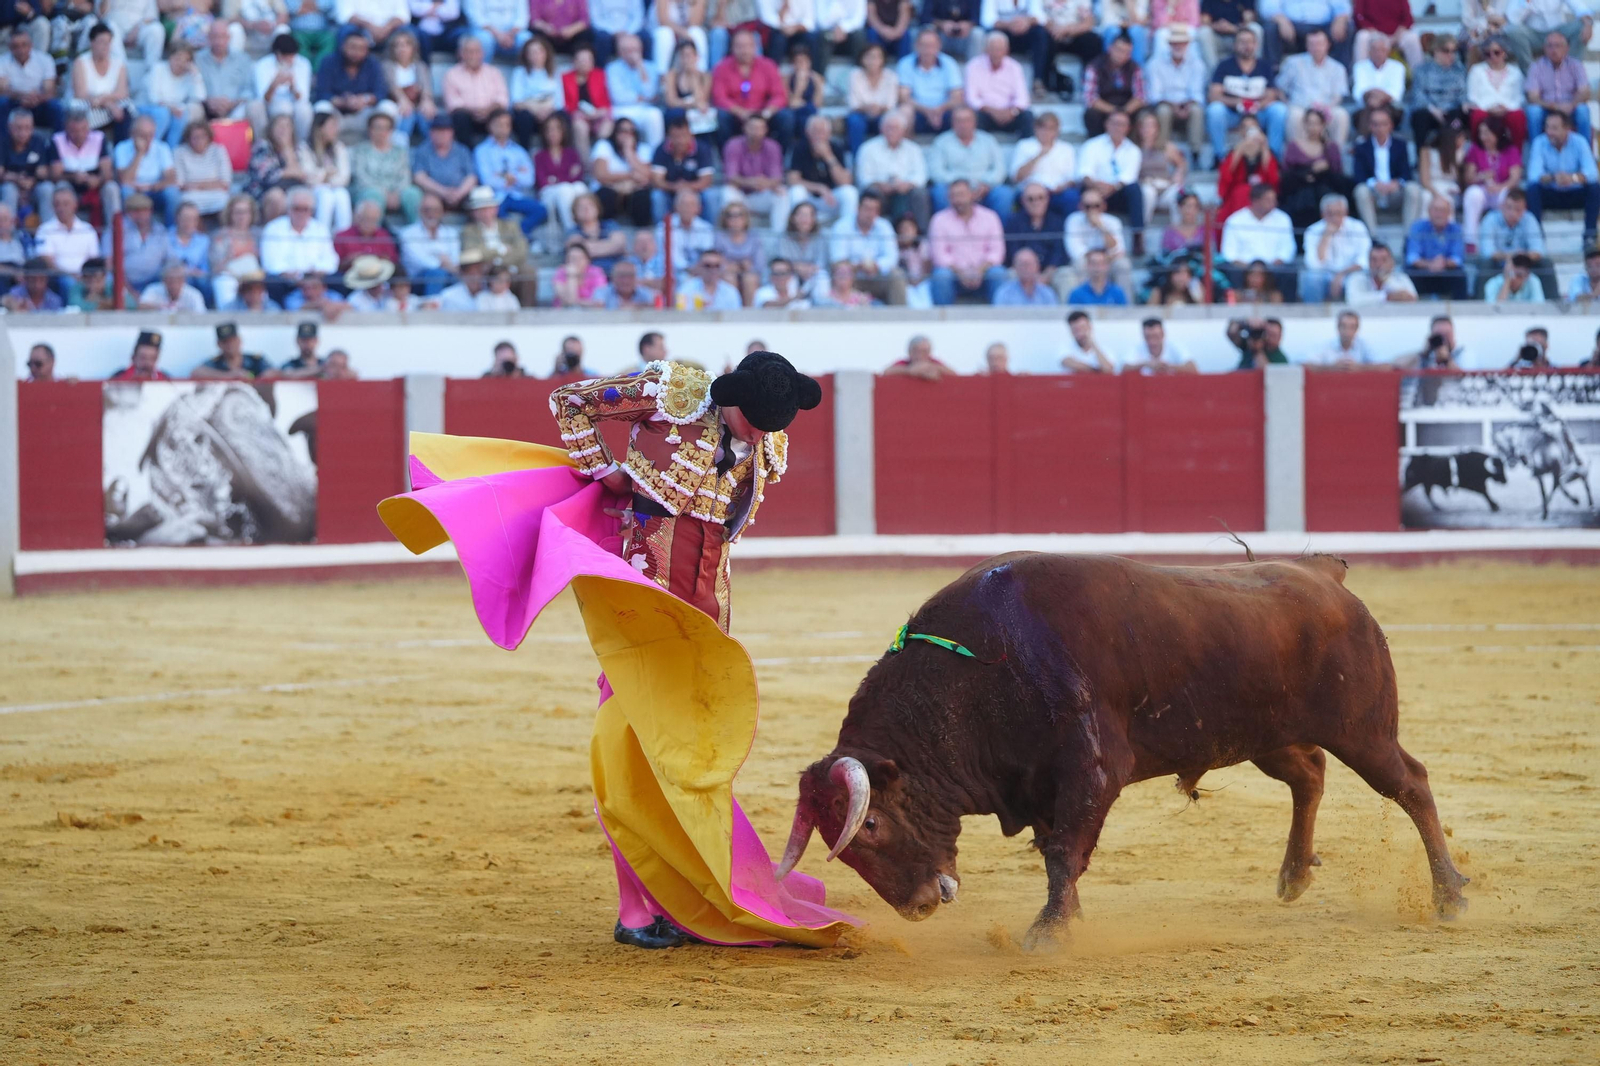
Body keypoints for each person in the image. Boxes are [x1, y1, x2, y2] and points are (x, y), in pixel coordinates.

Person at [389, 351, 838, 951]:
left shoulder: (765, 433)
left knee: (694, 751)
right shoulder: (674, 394)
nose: (760, 435)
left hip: (709, 602)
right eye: (752, 422)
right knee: (632, 751)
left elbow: (718, 531)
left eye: (768, 428)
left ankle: (701, 887)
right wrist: (603, 471)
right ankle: (635, 909)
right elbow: (570, 402)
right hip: (642, 595)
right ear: (727, 397)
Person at [1207, 27, 1286, 161]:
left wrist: (1257, 105)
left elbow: (1272, 94)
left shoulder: (1264, 66)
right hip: (1232, 113)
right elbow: (1214, 95)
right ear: (1235, 45)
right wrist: (1238, 103)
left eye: (1250, 42)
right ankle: (1220, 156)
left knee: (1279, 110)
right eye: (1242, 42)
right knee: (1214, 110)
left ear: (1256, 45)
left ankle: (1274, 155)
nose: (1246, 46)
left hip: (1258, 112)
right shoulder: (1224, 66)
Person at [1524, 109, 1599, 247]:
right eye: (1547, 127)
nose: (1549, 132)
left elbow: (1592, 173)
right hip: (1551, 192)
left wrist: (1573, 178)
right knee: (1532, 190)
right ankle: (1537, 238)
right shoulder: (1539, 143)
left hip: (1574, 191)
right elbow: (1533, 175)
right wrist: (1553, 178)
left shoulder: (1579, 141)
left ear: (1567, 129)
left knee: (1595, 188)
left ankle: (1589, 236)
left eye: (1554, 128)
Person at [926, 177, 1004, 304]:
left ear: (972, 195)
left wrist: (979, 271)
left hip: (983, 274)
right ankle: (942, 322)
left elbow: (996, 253)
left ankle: (1001, 321)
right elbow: (940, 256)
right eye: (953, 196)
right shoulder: (939, 220)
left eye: (961, 195)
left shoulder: (990, 217)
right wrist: (961, 273)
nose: (957, 200)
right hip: (954, 276)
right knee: (941, 275)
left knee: (998, 273)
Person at [1278, 107, 1350, 235]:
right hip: (1299, 196)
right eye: (1310, 123)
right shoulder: (1293, 146)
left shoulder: (1330, 148)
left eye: (1316, 123)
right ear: (1304, 124)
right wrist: (1309, 171)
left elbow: (1339, 176)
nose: (1313, 127)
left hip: (1324, 194)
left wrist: (1325, 168)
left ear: (1323, 125)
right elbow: (1286, 176)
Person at [1351, 106, 1421, 235]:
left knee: (1413, 189)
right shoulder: (1361, 147)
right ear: (1370, 126)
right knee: (1360, 191)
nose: (1380, 128)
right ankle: (1372, 236)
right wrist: (1375, 183)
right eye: (1376, 124)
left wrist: (1396, 183)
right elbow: (1358, 175)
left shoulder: (1400, 145)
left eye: (1384, 124)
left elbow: (1406, 173)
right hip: (1374, 193)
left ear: (1391, 126)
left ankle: (1408, 236)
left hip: (1395, 192)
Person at [854, 110, 930, 228]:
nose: (891, 131)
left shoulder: (914, 149)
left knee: (920, 193)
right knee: (872, 194)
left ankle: (921, 236)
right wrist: (881, 185)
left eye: (895, 128)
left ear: (903, 131)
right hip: (881, 193)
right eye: (888, 128)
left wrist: (906, 185)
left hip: (906, 192)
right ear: (881, 129)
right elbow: (864, 178)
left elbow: (921, 176)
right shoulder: (868, 148)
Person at [782, 113, 858, 230]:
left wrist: (828, 156)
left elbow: (845, 181)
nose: (818, 135)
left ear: (829, 134)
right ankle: (798, 230)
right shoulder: (799, 148)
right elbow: (792, 180)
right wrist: (819, 188)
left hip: (831, 199)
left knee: (850, 192)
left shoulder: (837, 147)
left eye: (822, 132)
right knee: (796, 191)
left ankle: (846, 232)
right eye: (815, 131)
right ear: (807, 132)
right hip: (808, 198)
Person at [474, 107, 544, 234]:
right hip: (495, 197)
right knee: (495, 213)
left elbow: (529, 179)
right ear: (490, 126)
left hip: (516, 195)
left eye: (506, 124)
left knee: (541, 210)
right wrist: (516, 175)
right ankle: (517, 237)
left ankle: (518, 234)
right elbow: (486, 180)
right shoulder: (482, 151)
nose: (503, 128)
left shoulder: (518, 151)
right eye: (499, 124)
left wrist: (507, 176)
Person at [928, 105, 1008, 214]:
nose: (963, 125)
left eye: (967, 120)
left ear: (974, 122)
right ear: (952, 123)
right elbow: (936, 172)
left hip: (984, 187)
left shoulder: (989, 141)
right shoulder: (941, 142)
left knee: (1004, 194)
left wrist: (986, 184)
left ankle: (998, 230)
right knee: (939, 192)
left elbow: (1000, 169)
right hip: (953, 187)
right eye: (959, 121)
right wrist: (960, 186)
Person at [1220, 182, 1296, 297]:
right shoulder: (1235, 220)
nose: (1274, 203)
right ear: (1256, 201)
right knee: (1229, 271)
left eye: (1274, 199)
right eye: (1268, 200)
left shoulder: (1283, 219)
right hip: (1244, 268)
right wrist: (1250, 268)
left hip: (1273, 267)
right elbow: (1229, 252)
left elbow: (1288, 249)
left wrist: (1277, 261)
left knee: (1289, 273)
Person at [1276, 27, 1349, 145]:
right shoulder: (1293, 62)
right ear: (1307, 45)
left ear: (1328, 45)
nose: (1316, 48)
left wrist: (1327, 109)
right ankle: (1298, 157)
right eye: (1312, 44)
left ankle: (1336, 157)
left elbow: (1338, 96)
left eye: (1320, 44)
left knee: (1341, 115)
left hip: (1326, 109)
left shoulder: (1338, 68)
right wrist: (1287, 104)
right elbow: (1280, 88)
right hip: (1300, 107)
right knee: (1294, 115)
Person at [828, 190, 904, 303]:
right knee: (842, 275)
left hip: (877, 276)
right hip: (853, 278)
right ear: (858, 208)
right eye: (867, 209)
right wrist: (857, 266)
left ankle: (900, 318)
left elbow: (892, 257)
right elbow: (837, 259)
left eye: (875, 210)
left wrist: (877, 265)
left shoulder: (884, 226)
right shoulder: (842, 226)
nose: (870, 214)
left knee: (897, 276)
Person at [710, 29, 785, 143]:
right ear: (732, 48)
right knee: (721, 117)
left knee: (785, 117)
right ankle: (726, 155)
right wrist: (741, 113)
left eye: (747, 46)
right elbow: (719, 98)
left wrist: (766, 113)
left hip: (763, 115)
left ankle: (777, 155)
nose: (744, 51)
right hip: (735, 115)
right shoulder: (721, 68)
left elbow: (779, 95)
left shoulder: (768, 65)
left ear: (755, 47)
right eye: (739, 46)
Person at [1460, 116, 1522, 251]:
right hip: (1483, 189)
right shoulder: (1475, 149)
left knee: (1507, 197)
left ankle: (1503, 241)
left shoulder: (1510, 150)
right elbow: (1468, 178)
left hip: (1502, 189)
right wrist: (1481, 176)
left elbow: (1515, 178)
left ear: (1497, 133)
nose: (1483, 137)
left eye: (1487, 133)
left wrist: (1499, 187)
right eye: (1481, 133)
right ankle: (1470, 241)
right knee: (1472, 194)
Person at [351, 103, 420, 223]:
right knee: (374, 196)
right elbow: (361, 177)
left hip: (396, 193)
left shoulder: (400, 152)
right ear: (370, 129)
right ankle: (375, 236)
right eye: (377, 127)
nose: (381, 132)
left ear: (391, 131)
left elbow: (404, 177)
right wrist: (384, 194)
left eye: (385, 128)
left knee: (413, 194)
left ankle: (417, 234)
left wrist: (396, 194)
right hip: (370, 190)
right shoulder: (360, 150)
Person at [1077, 109, 1143, 232]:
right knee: (1083, 191)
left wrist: (1112, 187)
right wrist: (1096, 186)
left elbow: (1129, 177)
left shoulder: (1134, 150)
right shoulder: (1092, 145)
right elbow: (1085, 172)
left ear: (1128, 128)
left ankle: (1138, 234)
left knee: (1134, 189)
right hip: (1095, 190)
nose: (1118, 128)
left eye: (1122, 124)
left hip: (1118, 192)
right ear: (1107, 124)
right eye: (1115, 123)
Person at [1145, 24, 1206, 158]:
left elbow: (1197, 93)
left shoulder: (1197, 64)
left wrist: (1186, 106)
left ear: (1187, 44)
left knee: (1197, 110)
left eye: (1182, 43)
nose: (1178, 46)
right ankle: (1161, 151)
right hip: (1165, 104)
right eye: (1175, 43)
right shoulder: (1155, 64)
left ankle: (1196, 152)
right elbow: (1155, 95)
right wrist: (1174, 106)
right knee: (1163, 111)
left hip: (1188, 104)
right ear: (1169, 44)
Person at [1478, 187, 1551, 294]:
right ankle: (1481, 304)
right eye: (1509, 208)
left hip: (1524, 263)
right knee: (1485, 264)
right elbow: (1487, 252)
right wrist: (1510, 257)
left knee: (1545, 264)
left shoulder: (1529, 219)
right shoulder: (1490, 219)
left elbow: (1539, 250)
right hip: (1499, 263)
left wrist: (1521, 257)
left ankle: (1553, 303)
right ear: (1502, 206)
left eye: (1518, 209)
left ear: (1524, 209)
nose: (1512, 213)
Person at [1301, 192, 1371, 302]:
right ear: (1322, 214)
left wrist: (1341, 275)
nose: (1334, 218)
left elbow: (1364, 260)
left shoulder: (1358, 227)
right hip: (1325, 275)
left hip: (1350, 274)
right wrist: (1325, 236)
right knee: (1311, 279)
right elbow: (1313, 264)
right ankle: (1313, 315)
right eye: (1330, 214)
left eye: (1338, 213)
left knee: (1358, 280)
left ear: (1346, 213)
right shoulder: (1312, 231)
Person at [315, 27, 388, 132]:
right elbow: (322, 93)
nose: (356, 52)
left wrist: (363, 99)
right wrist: (343, 101)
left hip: (364, 112)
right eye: (352, 47)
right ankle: (321, 146)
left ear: (367, 50)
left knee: (387, 107)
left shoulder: (373, 64)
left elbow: (380, 92)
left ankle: (381, 147)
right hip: (337, 113)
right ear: (343, 46)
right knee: (321, 107)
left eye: (361, 48)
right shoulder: (329, 62)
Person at [262, 185, 339, 282]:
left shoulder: (320, 229)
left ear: (311, 211)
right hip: (285, 281)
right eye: (296, 208)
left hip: (315, 281)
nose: (301, 213)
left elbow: (330, 259)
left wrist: (316, 270)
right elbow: (270, 263)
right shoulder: (273, 228)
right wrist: (291, 274)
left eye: (305, 209)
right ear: (288, 209)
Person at [1524, 30, 1591, 144]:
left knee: (1583, 110)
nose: (1554, 50)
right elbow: (1532, 97)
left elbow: (1585, 92)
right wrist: (1554, 106)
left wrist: (1571, 105)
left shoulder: (1576, 65)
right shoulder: (1536, 67)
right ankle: (1536, 151)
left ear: (1566, 48)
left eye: (1558, 46)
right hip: (1547, 109)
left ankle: (1585, 154)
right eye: (1550, 46)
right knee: (1533, 111)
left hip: (1570, 108)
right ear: (1544, 49)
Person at [1062, 187, 1132, 295]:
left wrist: (1100, 226)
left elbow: (1118, 250)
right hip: (1086, 262)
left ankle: (1126, 307)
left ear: (1103, 206)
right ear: (1080, 206)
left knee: (1123, 265)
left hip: (1108, 263)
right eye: (1088, 206)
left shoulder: (1113, 221)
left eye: (1096, 206)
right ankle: (1084, 304)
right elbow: (1075, 252)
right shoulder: (1073, 220)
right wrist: (1099, 259)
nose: (1092, 210)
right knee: (1081, 264)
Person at [443, 34, 509, 147]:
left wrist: (488, 109)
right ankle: (467, 153)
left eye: (476, 51)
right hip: (467, 116)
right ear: (461, 54)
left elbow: (502, 98)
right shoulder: (452, 74)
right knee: (459, 117)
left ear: (482, 53)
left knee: (501, 115)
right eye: (468, 51)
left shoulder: (494, 72)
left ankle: (498, 151)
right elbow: (453, 103)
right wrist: (473, 111)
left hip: (490, 115)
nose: (473, 55)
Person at [1008, 110, 1076, 218]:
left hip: (1056, 193)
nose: (1046, 132)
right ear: (1035, 128)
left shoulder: (1066, 148)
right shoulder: (1024, 145)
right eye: (1043, 127)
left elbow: (1071, 178)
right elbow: (1016, 177)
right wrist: (1038, 156)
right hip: (1030, 193)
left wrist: (1061, 187)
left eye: (1051, 128)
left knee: (1071, 197)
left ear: (1057, 130)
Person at [114, 115, 179, 227]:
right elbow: (125, 180)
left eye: (151, 135)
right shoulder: (122, 148)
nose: (148, 139)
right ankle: (129, 230)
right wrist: (139, 154)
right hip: (135, 190)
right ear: (133, 134)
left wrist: (153, 186)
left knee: (172, 193)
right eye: (143, 135)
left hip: (155, 189)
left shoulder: (162, 148)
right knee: (126, 191)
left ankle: (171, 229)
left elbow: (171, 178)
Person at [897, 26, 963, 134]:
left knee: (962, 114)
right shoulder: (905, 64)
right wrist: (927, 111)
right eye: (924, 45)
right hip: (917, 109)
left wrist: (939, 109)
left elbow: (957, 96)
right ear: (916, 46)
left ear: (939, 46)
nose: (928, 50)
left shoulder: (949, 63)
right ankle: (906, 148)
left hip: (944, 109)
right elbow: (904, 97)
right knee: (904, 111)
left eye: (932, 46)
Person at [1408, 33, 1468, 153]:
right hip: (1430, 111)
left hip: (1452, 111)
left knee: (1459, 118)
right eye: (1446, 51)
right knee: (1420, 117)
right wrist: (1433, 109)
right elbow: (1418, 95)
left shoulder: (1459, 70)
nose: (1451, 55)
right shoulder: (1422, 70)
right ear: (1435, 50)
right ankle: (1421, 158)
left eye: (1454, 51)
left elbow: (1463, 93)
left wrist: (1464, 103)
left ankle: (1453, 161)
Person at [71, 24, 131, 141]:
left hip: (109, 107)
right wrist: (107, 103)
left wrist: (103, 99)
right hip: (89, 104)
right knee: (79, 110)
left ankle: (120, 149)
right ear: (92, 42)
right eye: (102, 42)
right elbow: (81, 93)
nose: (106, 46)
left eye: (108, 42)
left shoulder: (118, 63)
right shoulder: (81, 62)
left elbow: (122, 92)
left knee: (125, 109)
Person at [1215, 111, 1278, 223]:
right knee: (1241, 192)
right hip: (1237, 199)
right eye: (1246, 128)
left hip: (1261, 197)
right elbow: (1225, 179)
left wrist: (1264, 147)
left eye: (1253, 128)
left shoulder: (1267, 153)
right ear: (1241, 131)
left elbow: (1273, 180)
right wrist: (1239, 150)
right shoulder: (1234, 152)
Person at [965, 31, 1032, 136]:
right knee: (974, 117)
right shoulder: (973, 66)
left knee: (1028, 116)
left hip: (1010, 114)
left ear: (1007, 50)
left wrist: (1011, 112)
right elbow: (971, 98)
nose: (997, 53)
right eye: (993, 49)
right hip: (986, 113)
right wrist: (992, 111)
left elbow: (1022, 98)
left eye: (1000, 49)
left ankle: (1025, 149)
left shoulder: (1015, 67)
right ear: (986, 49)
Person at [605, 33, 664, 148]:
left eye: (634, 50)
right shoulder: (612, 68)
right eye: (627, 50)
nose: (632, 54)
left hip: (644, 109)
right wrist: (640, 98)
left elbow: (650, 93)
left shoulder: (650, 67)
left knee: (655, 115)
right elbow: (617, 97)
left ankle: (656, 154)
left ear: (641, 50)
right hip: (622, 110)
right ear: (620, 52)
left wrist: (641, 68)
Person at [650, 115, 715, 220]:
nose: (680, 140)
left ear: (691, 134)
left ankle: (709, 230)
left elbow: (706, 180)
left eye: (683, 136)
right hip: (670, 192)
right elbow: (657, 180)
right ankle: (661, 229)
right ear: (669, 136)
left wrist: (687, 187)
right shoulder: (661, 150)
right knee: (657, 196)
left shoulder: (702, 149)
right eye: (675, 136)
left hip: (695, 192)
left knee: (710, 195)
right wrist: (674, 187)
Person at [721, 113, 783, 221]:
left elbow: (777, 178)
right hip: (741, 195)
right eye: (753, 128)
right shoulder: (733, 145)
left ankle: (779, 235)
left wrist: (765, 183)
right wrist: (751, 182)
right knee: (727, 191)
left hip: (762, 194)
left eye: (759, 128)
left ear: (766, 130)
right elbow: (731, 177)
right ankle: (732, 236)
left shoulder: (773, 147)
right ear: (744, 128)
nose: (756, 132)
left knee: (782, 193)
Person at [1083, 31, 1144, 139]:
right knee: (1091, 114)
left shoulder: (1135, 68)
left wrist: (1124, 111)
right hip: (1105, 109)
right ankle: (1096, 144)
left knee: (1144, 114)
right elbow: (1091, 98)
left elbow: (1140, 97)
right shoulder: (1095, 66)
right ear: (1110, 48)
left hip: (1127, 109)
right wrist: (1114, 111)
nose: (1122, 55)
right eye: (1119, 50)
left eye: (1127, 52)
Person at [413, 113, 480, 212]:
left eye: (445, 131)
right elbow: (419, 177)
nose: (441, 134)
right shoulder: (423, 151)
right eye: (438, 131)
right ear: (431, 133)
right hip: (434, 194)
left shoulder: (462, 150)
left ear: (452, 133)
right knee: (429, 202)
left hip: (461, 194)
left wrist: (459, 193)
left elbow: (471, 177)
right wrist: (443, 192)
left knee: (479, 198)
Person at [1404, 194, 1466, 299]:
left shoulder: (1456, 230)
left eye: (1443, 210)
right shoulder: (1417, 227)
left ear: (1449, 213)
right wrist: (1430, 264)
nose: (1439, 214)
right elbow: (1412, 257)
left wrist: (1443, 263)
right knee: (1411, 273)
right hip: (1423, 271)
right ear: (1429, 211)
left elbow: (1457, 259)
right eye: (1436, 210)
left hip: (1446, 271)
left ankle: (1462, 312)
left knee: (1460, 276)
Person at [1258, 0, 1352, 70]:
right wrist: (1281, 20)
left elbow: (1342, 6)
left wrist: (1340, 19)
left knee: (1347, 26)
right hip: (1291, 26)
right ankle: (1273, 70)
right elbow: (1268, 5)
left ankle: (1342, 70)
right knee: (1271, 27)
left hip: (1324, 26)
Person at [300, 108, 353, 232]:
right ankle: (321, 236)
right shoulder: (304, 147)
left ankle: (343, 236)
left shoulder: (339, 148)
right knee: (326, 196)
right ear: (320, 128)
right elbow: (307, 174)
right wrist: (327, 173)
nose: (336, 130)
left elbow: (344, 176)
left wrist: (325, 178)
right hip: (312, 189)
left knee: (342, 194)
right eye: (332, 126)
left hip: (333, 186)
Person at [1466, 37, 1526, 147]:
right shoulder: (1476, 70)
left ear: (1504, 53)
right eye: (1488, 54)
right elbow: (1472, 96)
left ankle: (1516, 155)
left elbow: (1519, 97)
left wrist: (1506, 107)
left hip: (1508, 108)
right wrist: (1489, 107)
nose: (1492, 56)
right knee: (1477, 116)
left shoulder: (1515, 71)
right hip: (1485, 108)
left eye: (1496, 52)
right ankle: (1478, 155)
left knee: (1518, 117)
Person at [1004, 181, 1066, 285]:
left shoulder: (1057, 222)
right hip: (1023, 269)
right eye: (1030, 199)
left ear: (1047, 199)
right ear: (1023, 201)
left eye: (1040, 198)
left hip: (1050, 271)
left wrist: (1046, 275)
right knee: (1010, 274)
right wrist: (1031, 274)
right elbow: (1013, 252)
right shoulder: (1014, 222)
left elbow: (1059, 252)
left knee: (1065, 275)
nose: (1036, 202)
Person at [256, 33, 314, 141]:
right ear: (278, 54)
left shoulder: (303, 64)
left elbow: (303, 98)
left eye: (293, 56)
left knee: (305, 110)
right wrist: (274, 84)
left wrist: (293, 87)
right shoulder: (263, 65)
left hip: (295, 104)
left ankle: (301, 144)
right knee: (281, 108)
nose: (291, 60)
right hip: (272, 104)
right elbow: (263, 99)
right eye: (287, 56)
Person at [400, 191, 462, 292]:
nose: (431, 214)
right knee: (437, 274)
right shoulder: (407, 233)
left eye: (435, 210)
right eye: (427, 210)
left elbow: (456, 258)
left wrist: (448, 265)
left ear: (442, 212)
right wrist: (443, 263)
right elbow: (421, 261)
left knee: (465, 275)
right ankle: (433, 305)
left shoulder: (451, 233)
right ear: (419, 211)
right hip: (418, 280)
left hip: (449, 275)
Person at [1133, 108, 1186, 228]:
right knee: (1148, 193)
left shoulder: (1166, 147)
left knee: (1178, 194)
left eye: (1152, 126)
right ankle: (1142, 230)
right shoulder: (1133, 149)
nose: (1148, 129)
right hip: (1145, 187)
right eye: (1145, 125)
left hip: (1165, 187)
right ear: (1139, 128)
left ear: (1157, 128)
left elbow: (1181, 164)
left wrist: (1178, 174)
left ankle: (1177, 233)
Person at [0, 27, 59, 133]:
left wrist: (36, 98)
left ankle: (58, 145)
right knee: (2, 103)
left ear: (31, 45)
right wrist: (22, 97)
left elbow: (50, 90)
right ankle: (4, 144)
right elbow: (3, 90)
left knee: (56, 107)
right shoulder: (2, 61)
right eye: (15, 46)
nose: (20, 50)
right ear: (10, 48)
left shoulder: (45, 59)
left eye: (24, 45)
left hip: (39, 103)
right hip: (15, 104)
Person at [0, 109, 54, 222]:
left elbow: (43, 171)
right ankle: (8, 234)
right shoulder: (2, 142)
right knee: (9, 190)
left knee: (47, 188)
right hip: (10, 187)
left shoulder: (39, 141)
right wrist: (17, 179)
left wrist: (32, 182)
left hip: (33, 187)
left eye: (27, 128)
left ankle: (48, 233)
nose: (23, 132)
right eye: (18, 128)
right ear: (10, 127)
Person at [383, 30, 437, 141]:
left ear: (413, 48)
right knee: (407, 113)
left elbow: (426, 87)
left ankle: (430, 146)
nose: (401, 49)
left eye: (406, 45)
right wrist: (403, 99)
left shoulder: (420, 66)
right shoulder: (387, 66)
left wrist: (426, 100)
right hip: (397, 105)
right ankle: (400, 146)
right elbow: (391, 86)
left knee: (427, 113)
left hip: (417, 104)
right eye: (397, 45)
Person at [461, 184, 531, 269]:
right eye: (481, 210)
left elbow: (521, 250)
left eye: (488, 208)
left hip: (510, 267)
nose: (485, 213)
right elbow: (472, 253)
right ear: (474, 212)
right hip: (485, 269)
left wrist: (500, 262)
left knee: (528, 270)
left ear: (495, 209)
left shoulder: (510, 226)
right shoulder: (469, 231)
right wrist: (500, 249)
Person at [846, 42, 898, 155]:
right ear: (862, 59)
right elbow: (853, 104)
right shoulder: (855, 74)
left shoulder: (890, 76)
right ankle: (857, 159)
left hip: (882, 113)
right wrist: (868, 108)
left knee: (889, 123)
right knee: (855, 122)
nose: (873, 60)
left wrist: (878, 108)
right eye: (869, 56)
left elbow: (891, 104)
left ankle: (885, 157)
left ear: (883, 60)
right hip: (860, 113)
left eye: (877, 57)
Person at [35, 186, 98, 279]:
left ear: (75, 205)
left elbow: (93, 259)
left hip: (87, 279)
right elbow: (46, 261)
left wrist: (85, 278)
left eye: (66, 204)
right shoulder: (44, 229)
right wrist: (71, 277)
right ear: (53, 206)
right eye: (57, 204)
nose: (61, 208)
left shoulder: (88, 229)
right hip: (59, 278)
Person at [560, 45, 614, 152]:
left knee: (607, 126)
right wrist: (575, 113)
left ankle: (599, 157)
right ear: (574, 61)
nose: (584, 63)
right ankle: (586, 165)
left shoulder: (601, 75)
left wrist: (600, 112)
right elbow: (564, 102)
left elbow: (607, 100)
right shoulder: (565, 78)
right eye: (580, 60)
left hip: (598, 114)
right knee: (580, 127)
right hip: (577, 116)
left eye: (587, 60)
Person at [1349, 30, 1402, 135]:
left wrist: (1378, 97)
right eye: (1374, 49)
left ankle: (1364, 142)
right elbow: (1358, 92)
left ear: (1388, 51)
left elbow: (1396, 93)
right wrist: (1373, 97)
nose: (1378, 53)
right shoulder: (1360, 67)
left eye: (1382, 50)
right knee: (1371, 108)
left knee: (1378, 110)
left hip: (1390, 107)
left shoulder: (1397, 67)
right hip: (1366, 105)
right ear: (1369, 51)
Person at [655, 185, 716, 276]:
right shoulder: (663, 227)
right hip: (673, 273)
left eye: (691, 205)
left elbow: (707, 252)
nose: (687, 208)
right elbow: (668, 255)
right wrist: (687, 269)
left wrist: (698, 269)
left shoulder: (706, 228)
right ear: (676, 207)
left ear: (698, 209)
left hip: (700, 273)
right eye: (683, 204)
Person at [714, 200, 765, 302]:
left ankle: (751, 314)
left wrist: (747, 267)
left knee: (750, 279)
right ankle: (731, 313)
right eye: (731, 215)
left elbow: (760, 265)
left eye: (739, 215)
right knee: (729, 278)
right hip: (726, 274)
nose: (735, 219)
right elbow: (715, 261)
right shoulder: (719, 237)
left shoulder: (754, 238)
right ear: (725, 219)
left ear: (745, 218)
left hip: (749, 274)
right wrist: (729, 267)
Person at [335, 198, 400, 269]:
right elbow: (335, 265)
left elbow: (393, 260)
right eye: (366, 218)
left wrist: (381, 258)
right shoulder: (342, 236)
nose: (369, 224)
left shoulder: (384, 236)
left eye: (373, 220)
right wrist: (352, 259)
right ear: (357, 217)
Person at [1344, 239, 1416, 303]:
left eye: (1384, 260)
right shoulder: (1356, 278)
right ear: (1368, 263)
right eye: (1374, 260)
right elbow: (1353, 300)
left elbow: (1412, 298)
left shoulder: (1402, 278)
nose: (1378, 264)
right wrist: (1385, 297)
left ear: (1392, 263)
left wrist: (1387, 280)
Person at [192, 321, 270, 379]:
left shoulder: (255, 360)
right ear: (219, 344)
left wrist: (257, 379)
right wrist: (229, 376)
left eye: (233, 341)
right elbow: (196, 373)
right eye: (225, 342)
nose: (230, 345)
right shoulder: (215, 363)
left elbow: (274, 372)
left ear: (239, 340)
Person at [675, 246, 744, 308]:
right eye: (708, 266)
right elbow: (681, 316)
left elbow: (735, 319)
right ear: (699, 267)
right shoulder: (686, 289)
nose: (712, 270)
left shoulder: (731, 292)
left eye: (717, 266)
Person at [1306, 308, 1377, 366]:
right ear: (1338, 328)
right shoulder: (1325, 346)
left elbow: (1383, 366)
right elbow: (1308, 365)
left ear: (1357, 329)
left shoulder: (1364, 346)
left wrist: (1358, 367)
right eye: (1344, 326)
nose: (1347, 331)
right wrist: (1332, 367)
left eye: (1352, 327)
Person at [1125, 317, 1197, 373]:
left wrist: (1167, 367)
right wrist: (1146, 364)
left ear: (1163, 334)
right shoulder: (1138, 348)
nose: (1152, 342)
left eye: (1155, 336)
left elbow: (1193, 369)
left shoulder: (1175, 347)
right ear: (1143, 336)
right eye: (1148, 337)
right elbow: (1124, 369)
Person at [1393, 313, 1466, 368]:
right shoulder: (1426, 357)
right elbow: (1396, 365)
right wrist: (1424, 353)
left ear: (1453, 335)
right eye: (1439, 335)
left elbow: (1466, 376)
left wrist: (1446, 360)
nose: (1443, 340)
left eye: (1447, 334)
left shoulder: (1463, 354)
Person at [992, 246, 1058, 305]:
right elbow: (999, 317)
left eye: (1029, 264)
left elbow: (1053, 317)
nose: (1026, 268)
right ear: (1015, 267)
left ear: (1037, 267)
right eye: (1022, 264)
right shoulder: (1004, 293)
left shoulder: (1047, 293)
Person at [108, 331, 173, 381]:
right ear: (134, 358)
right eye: (143, 358)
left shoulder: (165, 379)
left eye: (152, 358)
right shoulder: (118, 378)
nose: (147, 363)